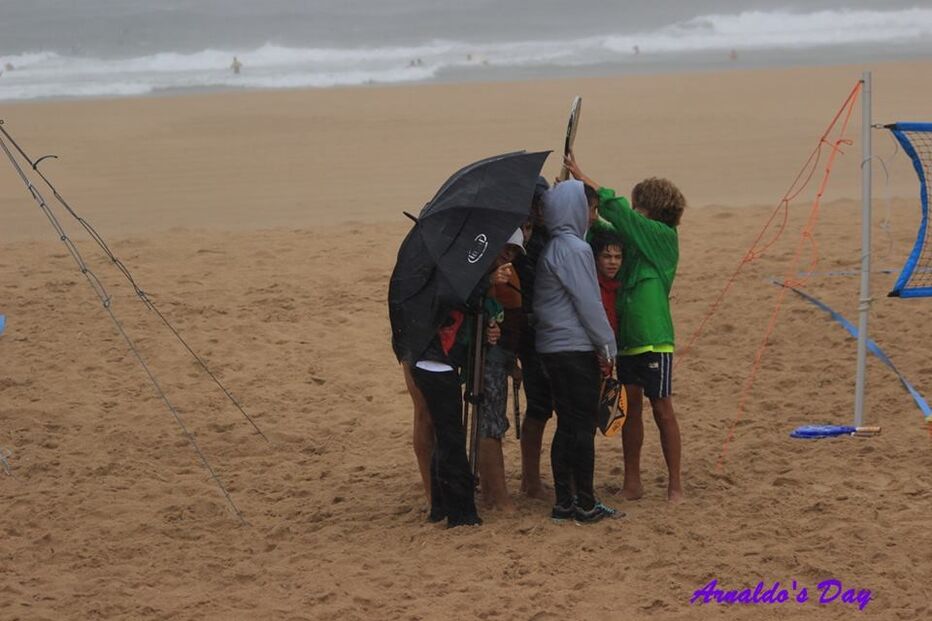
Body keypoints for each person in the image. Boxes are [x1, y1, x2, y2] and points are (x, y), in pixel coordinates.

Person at [564, 151, 686, 502]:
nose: (633, 212)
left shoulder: (662, 237)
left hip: (655, 340)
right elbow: (605, 231)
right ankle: (633, 481)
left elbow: (619, 214)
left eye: (637, 208)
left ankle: (675, 484)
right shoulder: (635, 241)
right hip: (627, 340)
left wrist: (584, 177)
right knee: (630, 409)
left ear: (649, 210)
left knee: (662, 408)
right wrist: (579, 202)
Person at [534, 180, 619, 523]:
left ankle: (564, 502)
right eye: (587, 208)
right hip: (572, 348)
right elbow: (589, 303)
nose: (591, 215)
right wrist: (608, 346)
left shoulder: (554, 247)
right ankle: (584, 502)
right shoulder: (574, 248)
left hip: (554, 348)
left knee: (567, 425)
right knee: (582, 426)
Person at [476, 229, 525, 513]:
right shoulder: (483, 272)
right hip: (488, 357)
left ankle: (491, 493)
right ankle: (498, 496)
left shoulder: (505, 272)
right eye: (507, 248)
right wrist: (488, 281)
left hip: (501, 354)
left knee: (493, 424)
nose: (509, 255)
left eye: (514, 251)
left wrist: (511, 363)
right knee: (490, 425)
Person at [513, 177, 554, 499]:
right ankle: (530, 479)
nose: (541, 209)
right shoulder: (519, 242)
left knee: (542, 406)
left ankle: (531, 479)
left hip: (538, 328)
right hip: (528, 331)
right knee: (539, 406)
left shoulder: (544, 235)